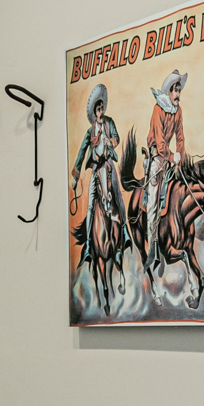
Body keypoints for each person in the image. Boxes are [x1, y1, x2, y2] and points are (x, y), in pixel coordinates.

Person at [70, 82, 126, 295]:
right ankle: (88, 248)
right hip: (95, 171)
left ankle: (123, 240)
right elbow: (82, 151)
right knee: (91, 209)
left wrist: (111, 141)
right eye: (98, 109)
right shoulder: (89, 131)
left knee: (119, 200)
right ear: (94, 112)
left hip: (109, 168)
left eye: (102, 108)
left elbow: (117, 138)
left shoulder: (110, 123)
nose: (101, 112)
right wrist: (76, 174)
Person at [140, 69, 188, 270]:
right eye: (175, 90)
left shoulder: (178, 112)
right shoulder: (158, 109)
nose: (178, 94)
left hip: (169, 159)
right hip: (157, 158)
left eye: (179, 90)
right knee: (153, 199)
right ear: (168, 92)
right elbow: (160, 143)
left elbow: (180, 137)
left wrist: (180, 157)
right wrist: (170, 156)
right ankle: (152, 245)